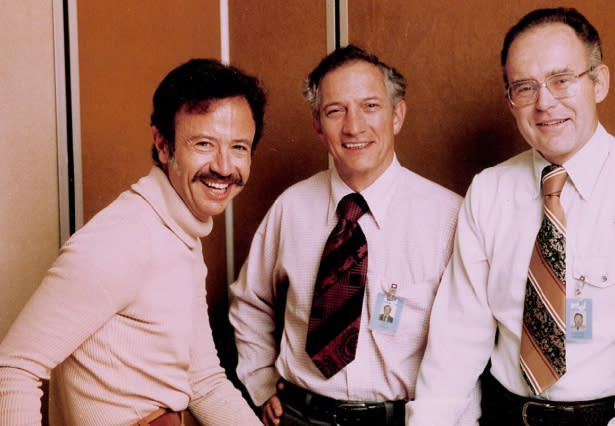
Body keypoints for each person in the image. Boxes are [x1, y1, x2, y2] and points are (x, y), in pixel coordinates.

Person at [407, 8, 615, 426]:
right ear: (510, 100)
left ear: (599, 83)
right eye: (524, 87)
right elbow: (456, 341)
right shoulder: (488, 190)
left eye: (562, 80)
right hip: (504, 414)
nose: (545, 103)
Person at [0, 58, 267, 426]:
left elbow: (203, 382)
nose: (224, 166)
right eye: (204, 143)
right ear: (163, 144)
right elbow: (13, 368)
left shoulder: (178, 233)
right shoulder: (121, 239)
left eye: (239, 147)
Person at [229, 45, 476, 426]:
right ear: (317, 125)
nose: (354, 126)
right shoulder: (291, 208)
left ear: (398, 115)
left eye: (370, 106)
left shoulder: (450, 217)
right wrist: (260, 382)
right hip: (299, 416)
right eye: (335, 111)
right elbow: (251, 301)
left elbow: (466, 346)